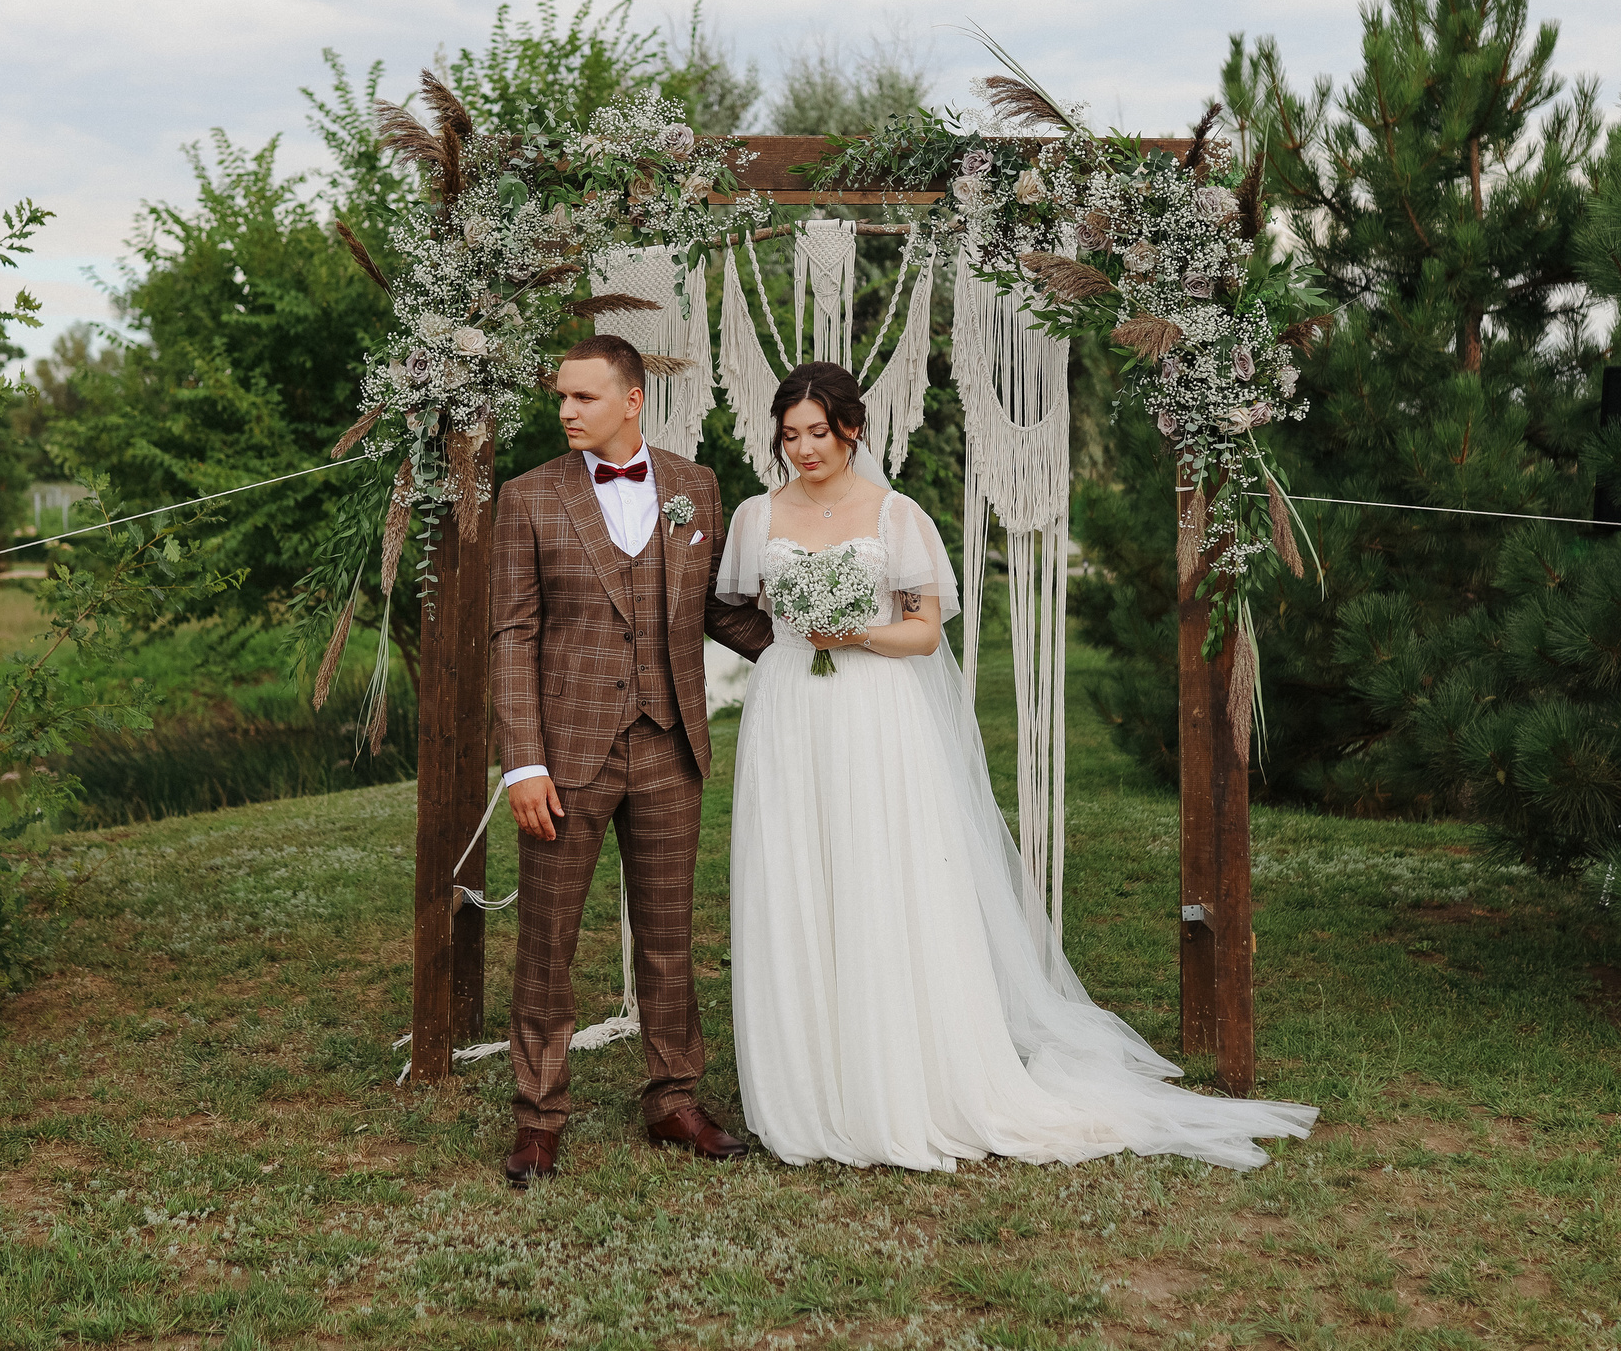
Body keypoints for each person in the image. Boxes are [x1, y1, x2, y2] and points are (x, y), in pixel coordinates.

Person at [717, 362, 1318, 1172]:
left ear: (851, 429)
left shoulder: (897, 516)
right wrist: (800, 644)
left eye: (816, 433)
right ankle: (809, 1084)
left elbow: (925, 631)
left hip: (875, 710)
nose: (802, 449)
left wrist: (849, 633)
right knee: (796, 876)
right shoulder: (758, 515)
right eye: (789, 436)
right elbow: (743, 608)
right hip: (790, 711)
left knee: (878, 874)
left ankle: (896, 1077)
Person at [490, 335, 774, 1187]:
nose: (566, 411)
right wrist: (523, 763)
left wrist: (813, 648)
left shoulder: (695, 487)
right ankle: (539, 1117)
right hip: (567, 754)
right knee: (547, 942)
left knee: (669, 936)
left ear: (631, 399)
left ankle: (673, 1096)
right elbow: (514, 634)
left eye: (582, 397)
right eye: (561, 399)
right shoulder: (528, 496)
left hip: (669, 745)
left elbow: (718, 610)